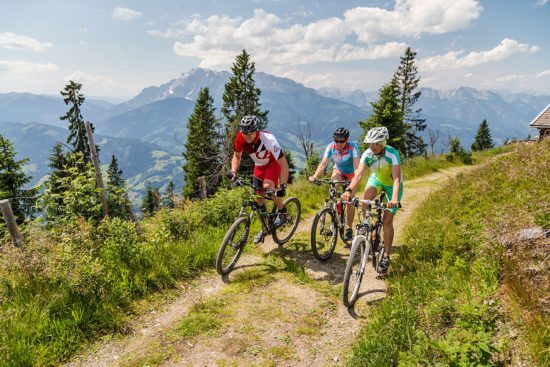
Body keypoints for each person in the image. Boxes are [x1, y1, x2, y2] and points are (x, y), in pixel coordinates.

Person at [341, 126, 403, 273]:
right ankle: (369, 225)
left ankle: (386, 256)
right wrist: (349, 190)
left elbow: (396, 179)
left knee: (387, 220)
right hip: (376, 180)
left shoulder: (392, 153)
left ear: (383, 142)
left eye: (375, 144)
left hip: (391, 184)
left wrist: (394, 198)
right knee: (365, 199)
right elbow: (359, 175)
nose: (372, 147)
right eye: (370, 144)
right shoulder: (368, 154)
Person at [227, 115, 289, 243]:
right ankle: (264, 228)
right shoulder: (240, 137)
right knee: (259, 198)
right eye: (244, 133)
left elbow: (283, 163)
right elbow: (236, 157)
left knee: (267, 188)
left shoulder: (269, 140)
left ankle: (282, 212)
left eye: (250, 133)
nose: (247, 136)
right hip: (259, 166)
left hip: (273, 164)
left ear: (257, 130)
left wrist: (283, 185)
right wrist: (233, 171)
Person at [308, 127, 360, 241]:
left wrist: (352, 184)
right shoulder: (331, 147)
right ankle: (333, 209)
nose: (339, 143)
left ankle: (349, 229)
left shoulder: (353, 147)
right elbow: (323, 164)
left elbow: (357, 168)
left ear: (347, 140)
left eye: (342, 141)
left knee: (349, 200)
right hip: (338, 171)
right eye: (337, 140)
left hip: (352, 174)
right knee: (333, 187)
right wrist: (315, 176)